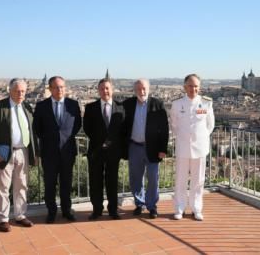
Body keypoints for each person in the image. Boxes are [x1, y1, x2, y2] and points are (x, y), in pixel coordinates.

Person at [0, 78, 37, 232]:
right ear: (10, 90)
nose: (20, 93)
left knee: (21, 185)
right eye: (17, 91)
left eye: (23, 91)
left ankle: (20, 215)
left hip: (23, 151)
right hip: (4, 151)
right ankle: (3, 219)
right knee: (3, 186)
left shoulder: (26, 107)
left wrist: (35, 153)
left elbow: (32, 132)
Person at [33, 76, 81, 223]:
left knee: (66, 183)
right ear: (50, 89)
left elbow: (77, 124)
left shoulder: (73, 104)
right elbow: (37, 128)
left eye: (62, 87)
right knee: (50, 184)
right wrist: (51, 140)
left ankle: (67, 210)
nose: (59, 90)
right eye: (56, 87)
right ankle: (52, 212)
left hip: (68, 151)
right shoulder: (42, 106)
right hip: (49, 152)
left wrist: (65, 137)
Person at [170, 74, 215, 221]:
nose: (193, 89)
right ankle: (179, 208)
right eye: (190, 86)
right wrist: (184, 137)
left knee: (198, 181)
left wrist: (199, 137)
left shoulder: (206, 103)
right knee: (180, 180)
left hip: (200, 148)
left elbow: (210, 125)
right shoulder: (177, 104)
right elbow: (174, 125)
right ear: (184, 87)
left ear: (199, 87)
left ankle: (197, 209)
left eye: (195, 86)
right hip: (183, 147)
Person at [123, 79, 169, 219]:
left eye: (144, 88)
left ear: (149, 89)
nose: (141, 91)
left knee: (153, 178)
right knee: (135, 178)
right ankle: (139, 203)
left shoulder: (157, 104)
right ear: (134, 90)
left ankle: (152, 206)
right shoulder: (128, 104)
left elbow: (164, 128)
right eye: (138, 89)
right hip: (134, 146)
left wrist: (163, 149)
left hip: (153, 148)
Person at [83, 77, 125, 220]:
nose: (104, 91)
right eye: (102, 88)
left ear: (112, 90)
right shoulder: (90, 107)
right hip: (96, 150)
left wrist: (112, 143)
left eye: (107, 88)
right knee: (95, 182)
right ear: (98, 91)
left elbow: (123, 129)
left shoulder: (120, 107)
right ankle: (97, 210)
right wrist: (101, 142)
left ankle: (113, 209)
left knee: (112, 181)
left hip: (114, 151)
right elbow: (87, 128)